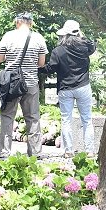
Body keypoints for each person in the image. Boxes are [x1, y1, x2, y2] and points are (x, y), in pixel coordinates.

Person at [0, 12, 48, 159]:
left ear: (17, 22)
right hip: (30, 83)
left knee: (7, 116)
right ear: (30, 23)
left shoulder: (8, 36)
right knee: (33, 117)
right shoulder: (38, 38)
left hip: (12, 84)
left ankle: (4, 152)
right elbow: (41, 63)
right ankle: (35, 153)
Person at [41, 20, 96, 158]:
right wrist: (81, 36)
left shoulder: (58, 51)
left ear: (64, 34)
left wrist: (38, 68)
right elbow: (92, 45)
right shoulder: (84, 49)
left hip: (65, 88)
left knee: (66, 120)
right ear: (78, 33)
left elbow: (50, 68)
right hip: (83, 86)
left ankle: (69, 151)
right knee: (87, 120)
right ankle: (89, 151)